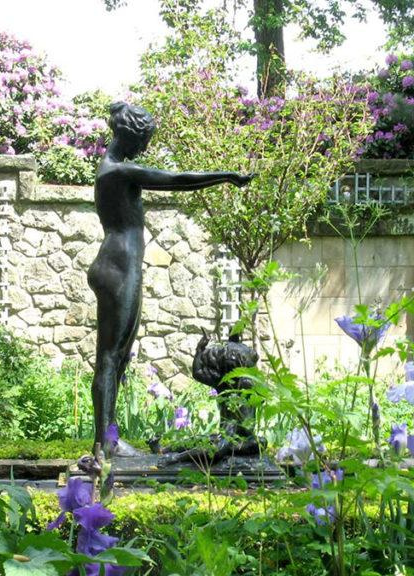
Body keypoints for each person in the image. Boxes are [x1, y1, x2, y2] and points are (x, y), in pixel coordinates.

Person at [88, 101, 253, 457]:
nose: (145, 148)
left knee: (119, 357)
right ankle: (104, 445)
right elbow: (175, 181)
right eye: (144, 140)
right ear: (131, 135)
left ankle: (109, 441)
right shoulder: (117, 170)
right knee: (111, 357)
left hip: (122, 265)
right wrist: (226, 176)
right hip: (118, 266)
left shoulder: (116, 169)